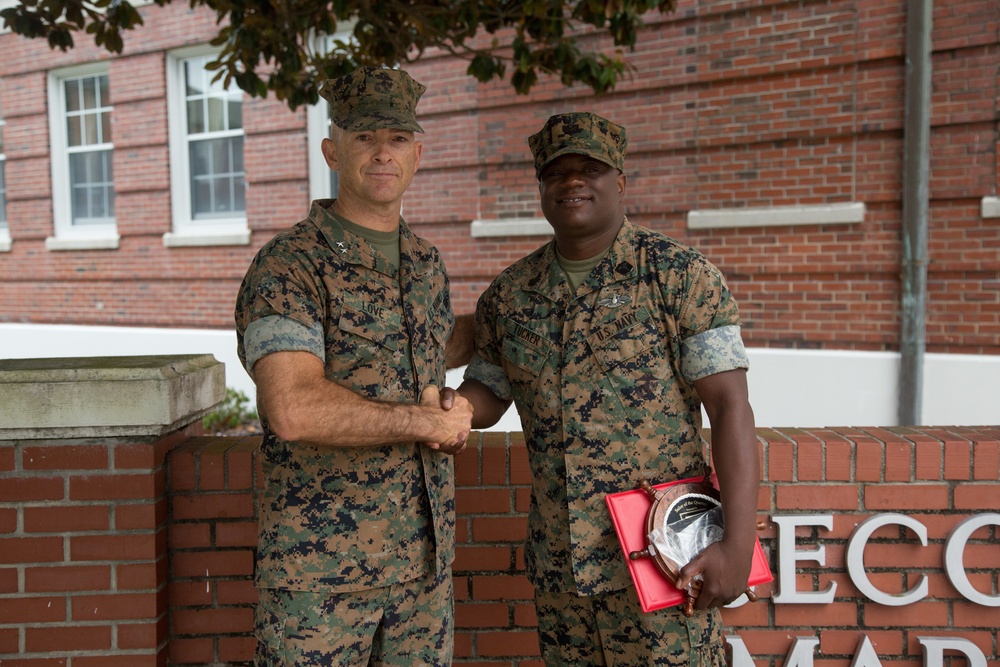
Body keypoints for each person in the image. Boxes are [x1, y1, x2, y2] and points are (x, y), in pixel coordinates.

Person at [456, 112, 760, 665]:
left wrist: (737, 547)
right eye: (557, 172)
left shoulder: (678, 276)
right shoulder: (509, 295)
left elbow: (730, 407)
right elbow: (488, 393)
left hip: (665, 560)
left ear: (619, 180)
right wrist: (438, 411)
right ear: (542, 187)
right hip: (562, 565)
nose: (572, 182)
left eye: (590, 168)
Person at [234, 66, 474, 666]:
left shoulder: (425, 265)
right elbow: (291, 409)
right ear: (331, 151)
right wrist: (425, 424)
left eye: (395, 138)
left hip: (423, 571)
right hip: (321, 576)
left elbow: (420, 366)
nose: (381, 153)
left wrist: (453, 405)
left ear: (417, 154)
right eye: (364, 138)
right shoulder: (289, 266)